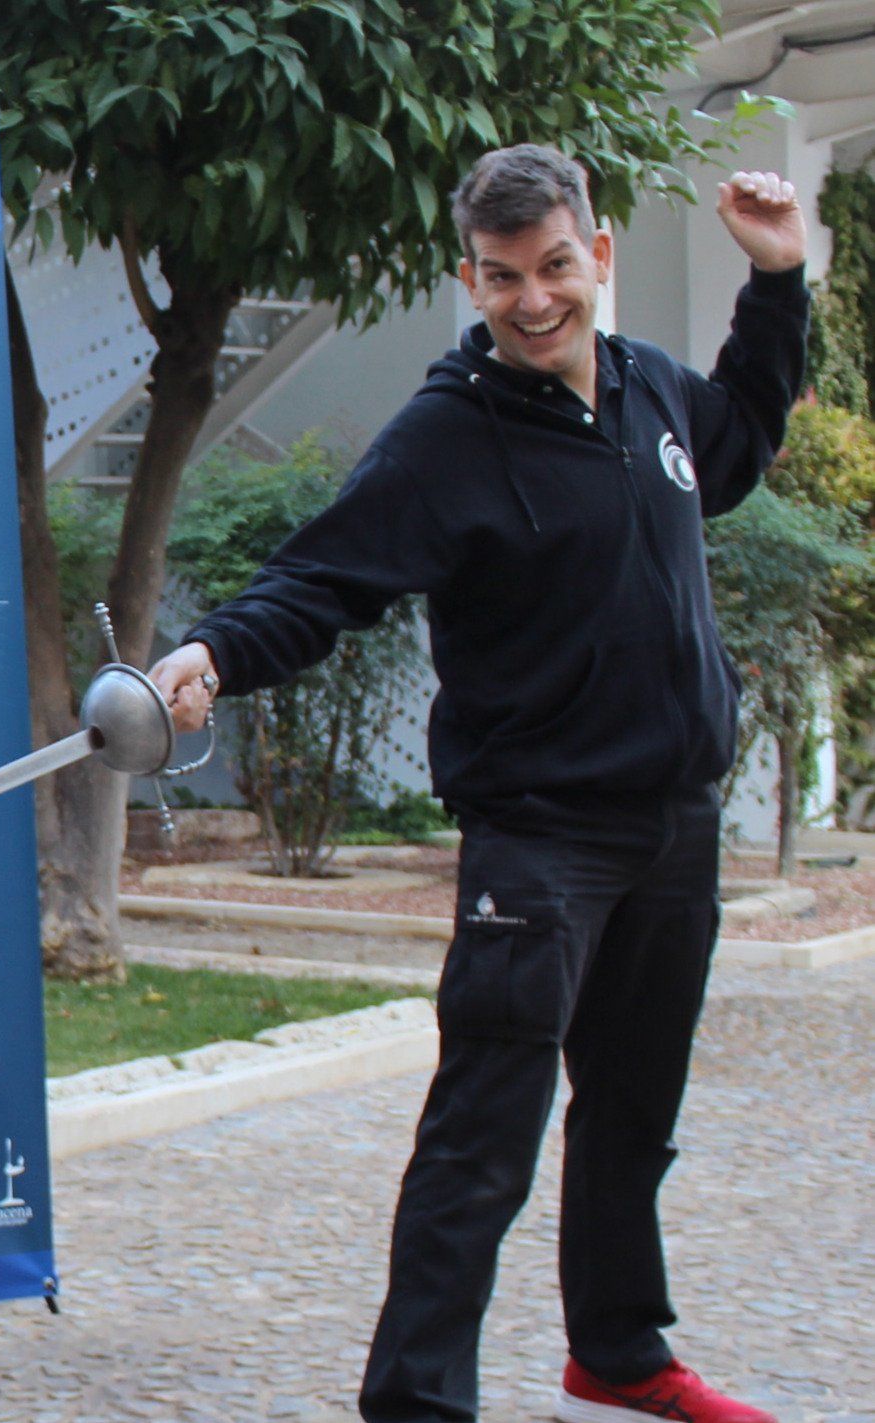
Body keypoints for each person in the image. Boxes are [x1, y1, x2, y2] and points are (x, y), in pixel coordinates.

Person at [149, 145, 808, 1423]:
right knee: (479, 1142)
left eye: (555, 266)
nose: (533, 299)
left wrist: (774, 279)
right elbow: (323, 576)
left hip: (671, 824)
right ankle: (414, 1404)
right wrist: (212, 650)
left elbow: (731, 450)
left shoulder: (647, 392)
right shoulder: (444, 437)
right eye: (502, 278)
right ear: (471, 280)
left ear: (596, 257)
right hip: (539, 841)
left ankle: (614, 1356)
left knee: (630, 1118)